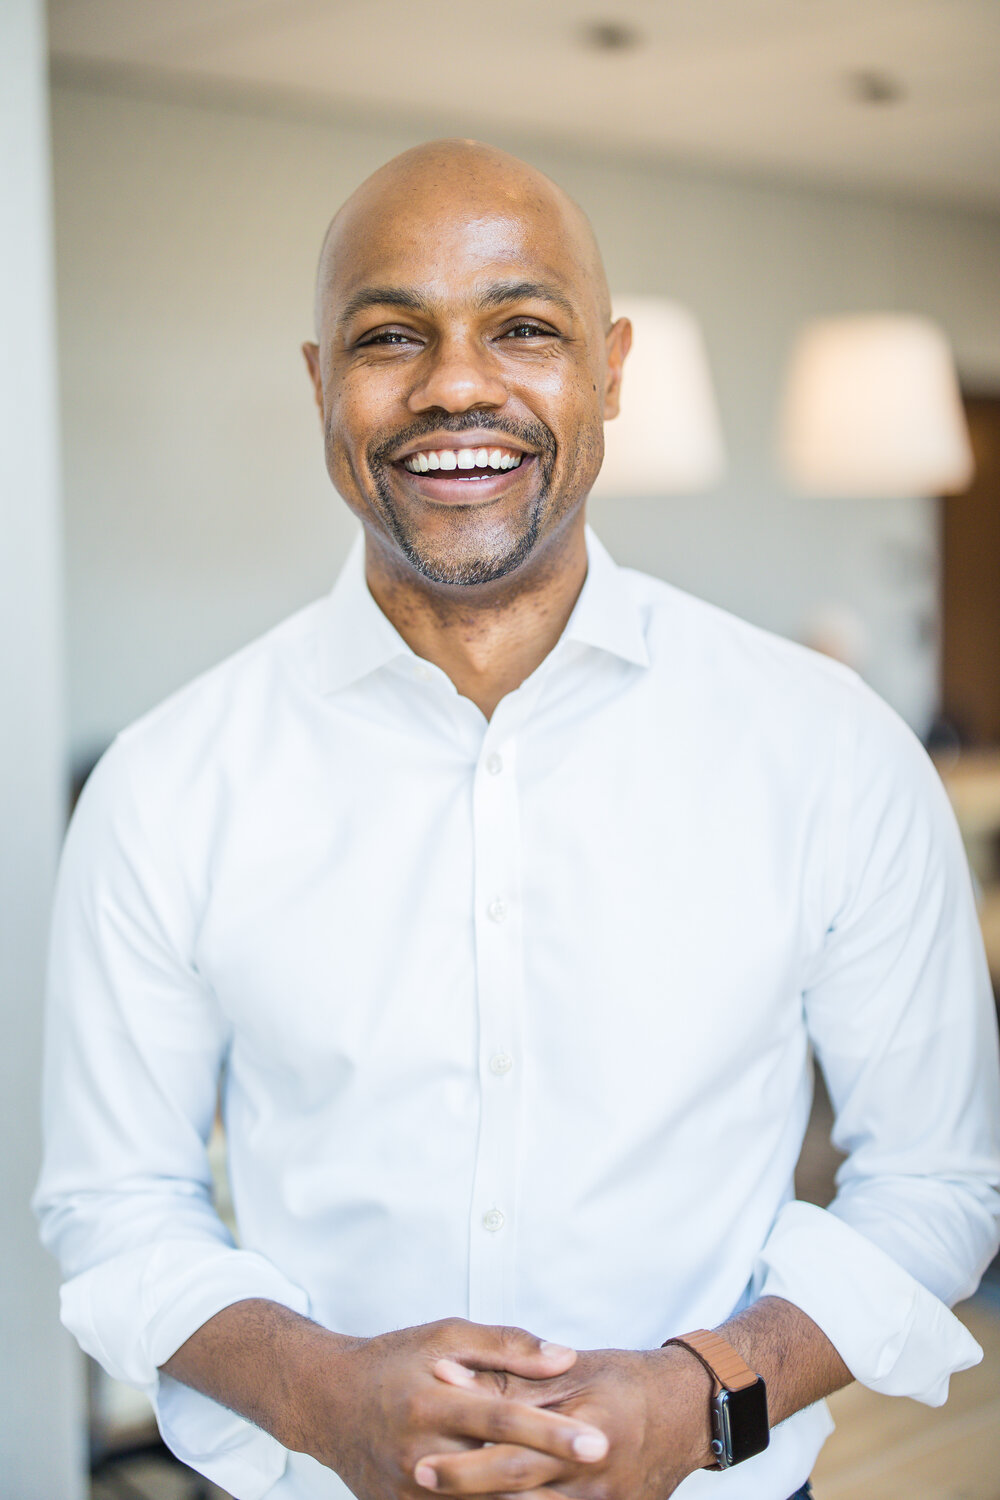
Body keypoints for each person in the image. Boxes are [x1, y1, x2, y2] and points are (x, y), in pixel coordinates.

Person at [35, 140, 1000, 1500]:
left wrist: (697, 1406)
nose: (458, 385)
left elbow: (939, 1189)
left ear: (610, 370)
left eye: (523, 328)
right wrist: (321, 1401)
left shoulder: (829, 750)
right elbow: (115, 1207)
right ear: (321, 384)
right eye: (389, 336)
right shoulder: (167, 781)